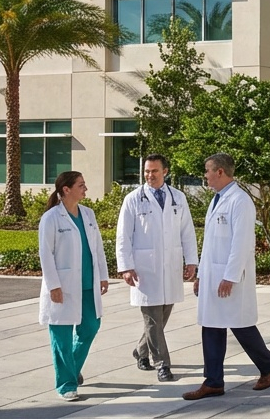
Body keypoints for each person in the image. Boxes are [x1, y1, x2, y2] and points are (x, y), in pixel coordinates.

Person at [183, 153, 270, 401]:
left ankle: (268, 365)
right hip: (213, 273)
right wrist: (202, 275)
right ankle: (213, 381)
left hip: (229, 277)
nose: (204, 176)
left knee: (241, 325)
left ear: (220, 172)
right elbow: (210, 243)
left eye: (207, 171)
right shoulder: (217, 199)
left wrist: (230, 276)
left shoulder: (240, 201)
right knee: (212, 326)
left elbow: (242, 243)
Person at [116, 153, 199, 382]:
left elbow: (187, 232)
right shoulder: (133, 199)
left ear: (165, 172)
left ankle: (141, 350)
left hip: (170, 266)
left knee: (160, 318)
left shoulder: (178, 198)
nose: (149, 175)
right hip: (145, 269)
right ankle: (162, 364)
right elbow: (123, 236)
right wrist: (126, 267)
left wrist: (192, 261)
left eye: (154, 171)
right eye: (146, 171)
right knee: (152, 318)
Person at [38, 171, 109, 402]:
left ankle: (71, 368)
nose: (85, 189)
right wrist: (53, 285)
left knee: (91, 326)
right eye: (81, 185)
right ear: (66, 190)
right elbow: (45, 254)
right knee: (61, 335)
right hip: (63, 286)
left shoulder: (88, 214)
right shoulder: (51, 218)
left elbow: (97, 248)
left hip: (87, 284)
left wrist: (103, 275)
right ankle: (66, 384)